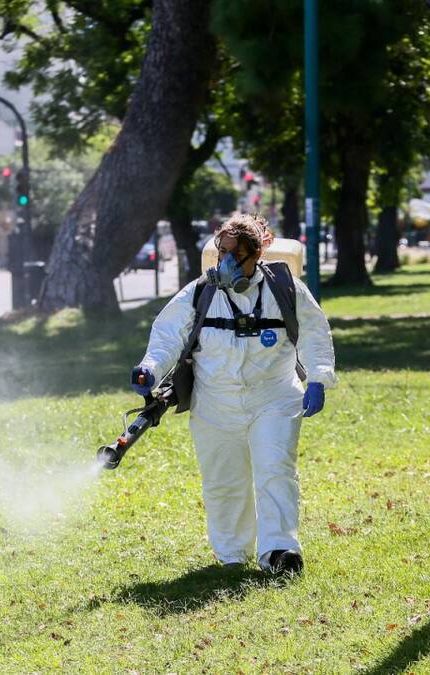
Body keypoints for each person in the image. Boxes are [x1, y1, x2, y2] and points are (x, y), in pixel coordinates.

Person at [131, 213, 336, 575]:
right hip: (215, 402)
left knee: (275, 472)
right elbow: (167, 334)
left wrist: (318, 377)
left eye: (233, 253)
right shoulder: (200, 292)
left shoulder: (284, 289)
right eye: (220, 251)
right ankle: (231, 554)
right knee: (224, 481)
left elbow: (315, 331)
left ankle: (280, 552)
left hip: (272, 397)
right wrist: (150, 367)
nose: (224, 261)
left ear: (255, 254)